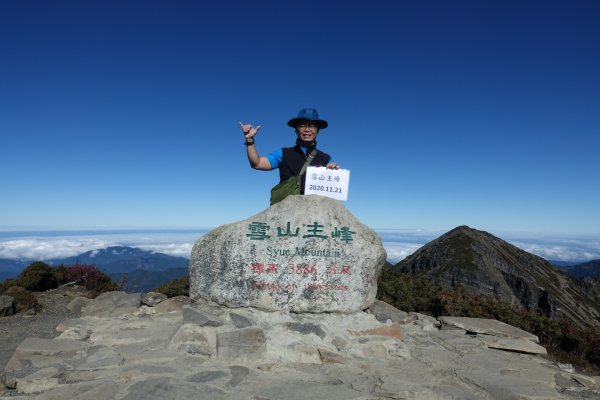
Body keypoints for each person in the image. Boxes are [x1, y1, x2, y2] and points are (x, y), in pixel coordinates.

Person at [240, 108, 340, 195]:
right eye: (302, 125)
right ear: (296, 130)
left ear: (318, 130)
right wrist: (249, 140)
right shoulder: (283, 153)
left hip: (315, 209)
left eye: (312, 126)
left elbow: (333, 188)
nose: (307, 129)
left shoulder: (326, 158)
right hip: (286, 210)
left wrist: (334, 170)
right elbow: (257, 164)